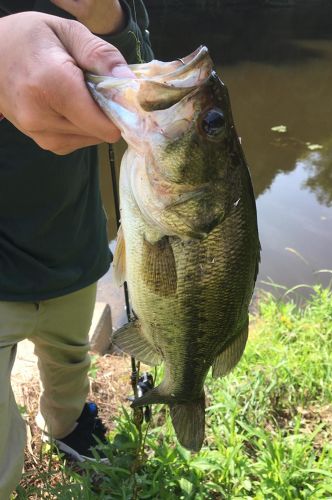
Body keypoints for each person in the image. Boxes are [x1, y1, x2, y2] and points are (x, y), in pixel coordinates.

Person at [0, 1, 153, 497]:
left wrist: (102, 12)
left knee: (70, 361)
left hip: (73, 244)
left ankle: (67, 427)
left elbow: (143, 79)